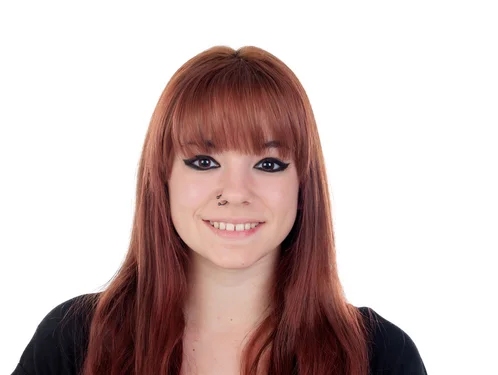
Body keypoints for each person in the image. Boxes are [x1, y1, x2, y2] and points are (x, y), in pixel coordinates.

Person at [12, 45, 427, 375]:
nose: (236, 191)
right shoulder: (74, 343)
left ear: (303, 185)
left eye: (268, 164)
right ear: (163, 178)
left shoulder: (381, 358)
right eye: (204, 162)